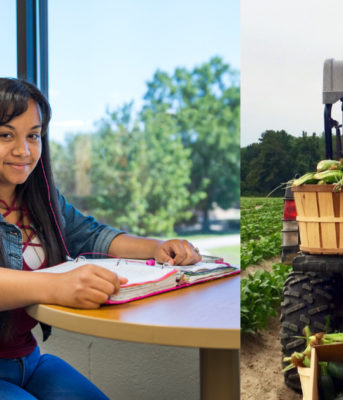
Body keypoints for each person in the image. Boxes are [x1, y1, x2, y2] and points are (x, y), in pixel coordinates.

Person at [0, 77, 201, 399]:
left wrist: (158, 247)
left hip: (29, 360)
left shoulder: (43, 200)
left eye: (33, 136)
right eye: (6, 135)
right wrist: (58, 286)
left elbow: (92, 235)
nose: (23, 150)